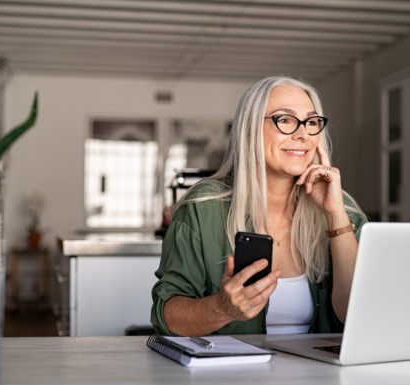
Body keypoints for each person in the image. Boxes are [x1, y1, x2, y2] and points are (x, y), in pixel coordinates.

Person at [151, 76, 367, 336]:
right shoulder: (203, 208)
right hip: (232, 375)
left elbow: (357, 314)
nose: (302, 135)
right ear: (250, 129)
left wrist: (335, 216)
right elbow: (167, 315)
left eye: (311, 122)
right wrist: (222, 309)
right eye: (285, 120)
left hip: (322, 375)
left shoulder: (342, 208)